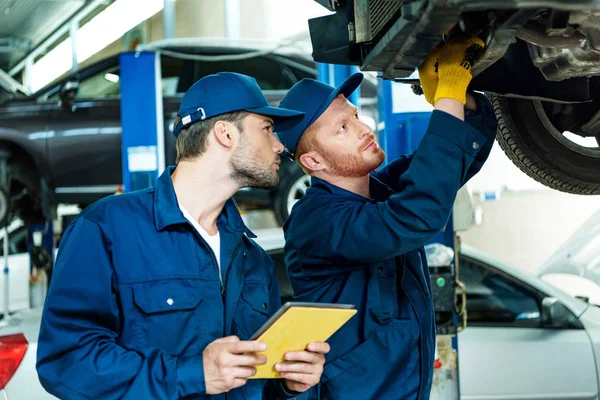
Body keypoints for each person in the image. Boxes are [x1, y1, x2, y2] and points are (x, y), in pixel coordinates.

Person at [36, 72, 330, 400]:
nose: (280, 146)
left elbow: (259, 383)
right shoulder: (107, 229)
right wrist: (191, 373)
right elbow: (65, 361)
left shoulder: (253, 260)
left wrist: (292, 386)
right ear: (225, 134)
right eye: (267, 129)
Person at [276, 37, 498, 399]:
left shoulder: (378, 190)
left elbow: (454, 160)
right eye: (342, 129)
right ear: (313, 162)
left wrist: (452, 96)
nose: (365, 129)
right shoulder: (314, 223)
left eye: (355, 117)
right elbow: (417, 216)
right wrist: (448, 98)